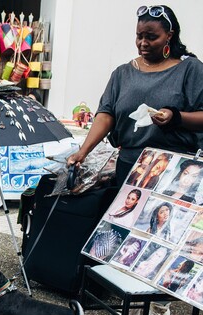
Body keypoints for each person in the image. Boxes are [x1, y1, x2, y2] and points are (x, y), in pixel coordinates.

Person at [67, 5, 203, 186]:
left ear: (169, 36)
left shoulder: (190, 69)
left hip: (173, 170)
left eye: (151, 37)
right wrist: (83, 151)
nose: (143, 43)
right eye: (139, 36)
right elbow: (106, 115)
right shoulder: (122, 73)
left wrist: (176, 116)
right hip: (129, 166)